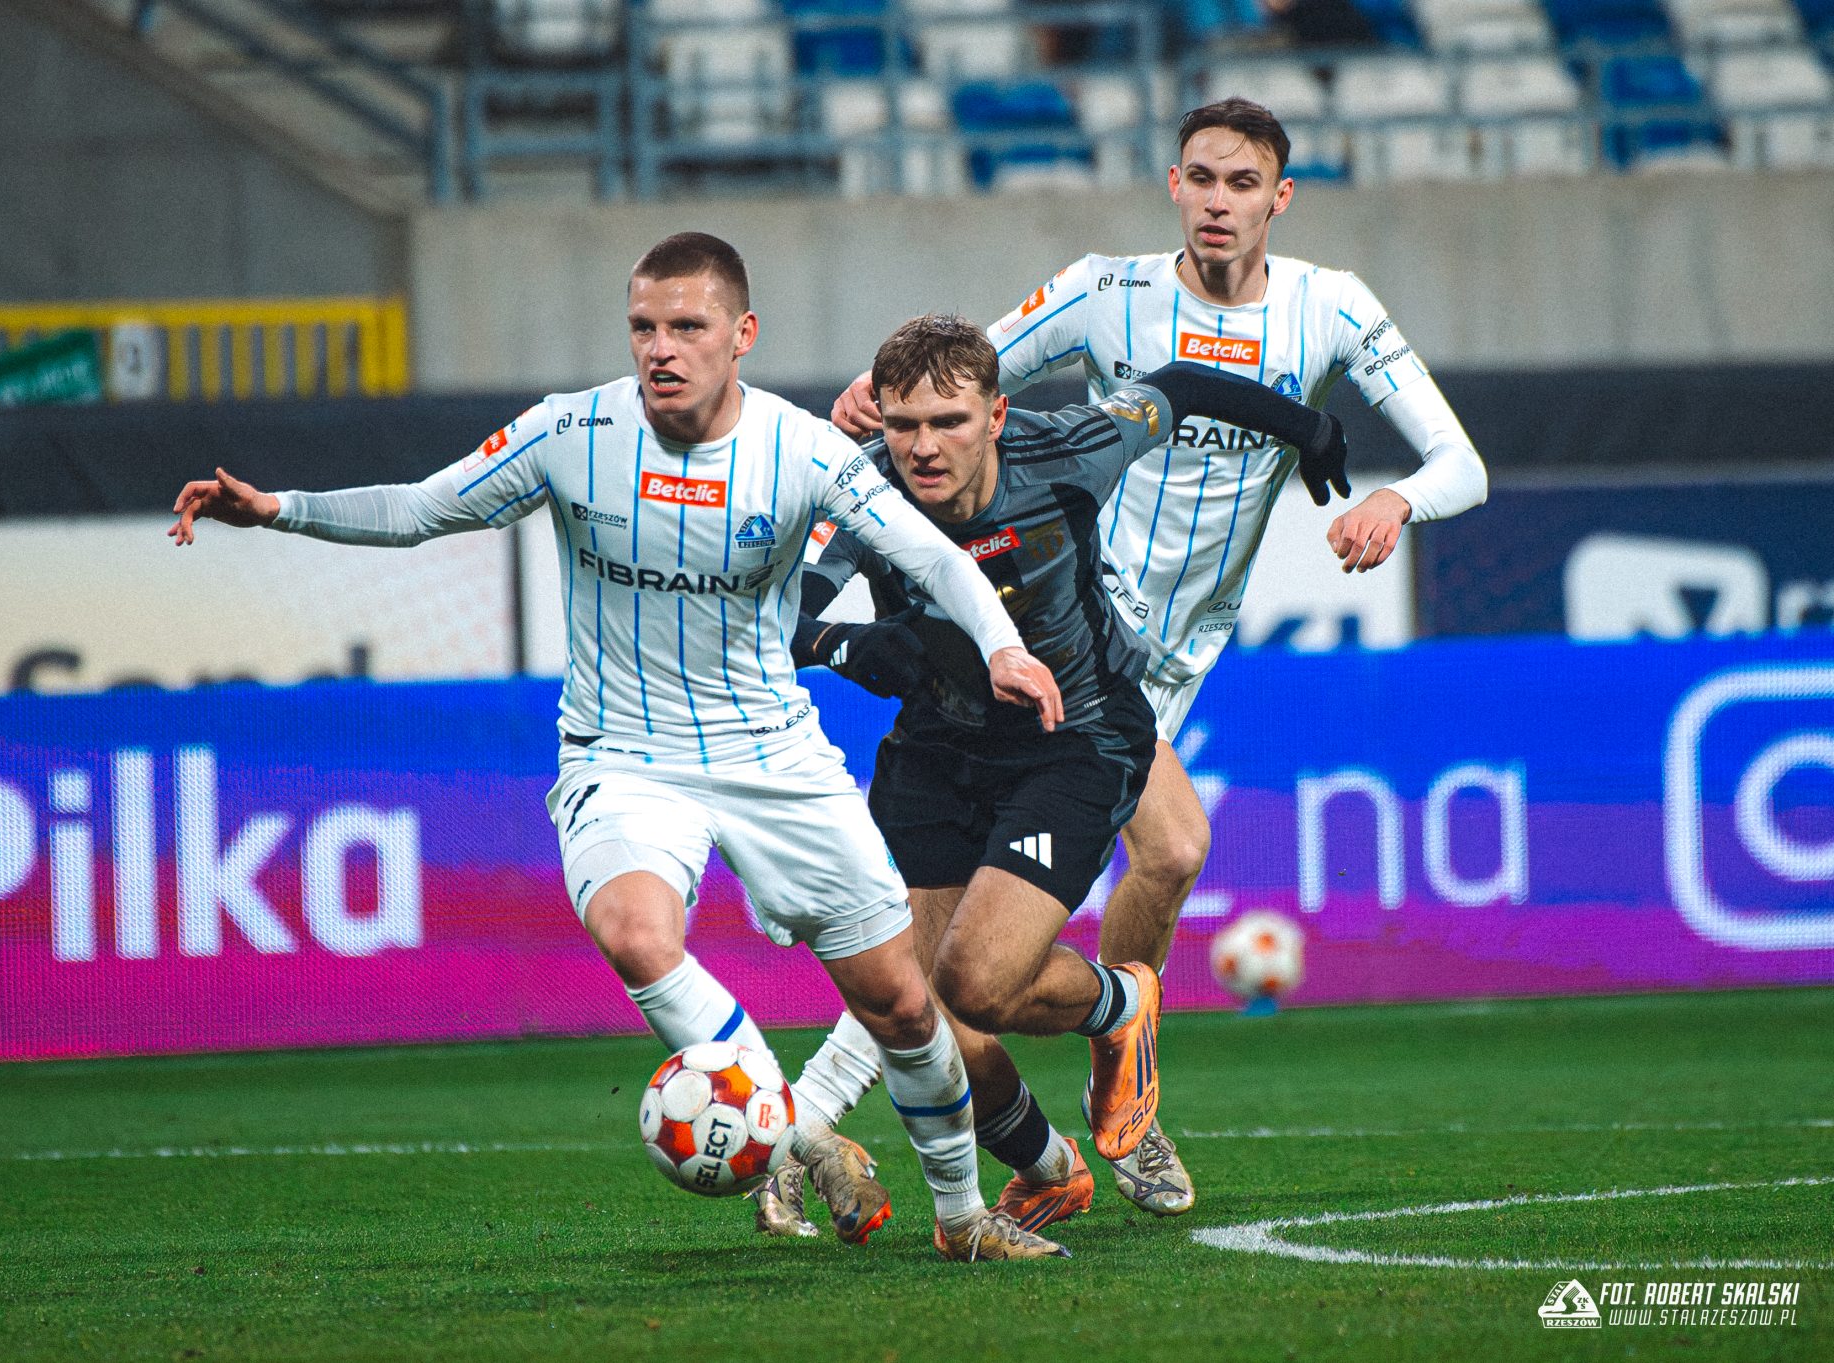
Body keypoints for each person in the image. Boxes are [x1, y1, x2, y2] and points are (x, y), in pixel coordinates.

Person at [167, 232, 1073, 1262]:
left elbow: (933, 556)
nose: (661, 347)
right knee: (637, 934)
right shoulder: (572, 432)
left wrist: (1001, 645)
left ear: (742, 334)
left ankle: (961, 1217)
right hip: (623, 752)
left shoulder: (800, 451)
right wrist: (279, 511)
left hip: (772, 752)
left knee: (902, 1004)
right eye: (644, 325)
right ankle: (790, 1129)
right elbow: (422, 508)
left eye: (687, 326)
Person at [826, 97, 1489, 1217]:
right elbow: (966, 379)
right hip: (1081, 640)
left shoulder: (1330, 308)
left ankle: (1093, 1071)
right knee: (1107, 879)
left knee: (1153, 864)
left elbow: (1459, 464)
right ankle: (837, 1117)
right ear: (1173, 185)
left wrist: (1395, 499)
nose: (1218, 202)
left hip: (1185, 649)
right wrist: (871, 400)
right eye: (1200, 179)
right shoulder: (1105, 291)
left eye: (1243, 183)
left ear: (1279, 198)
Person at [755, 314, 1351, 1240]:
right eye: (903, 424)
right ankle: (1047, 1168)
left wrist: (1307, 427)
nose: (922, 446)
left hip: (1071, 737)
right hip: (936, 750)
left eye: (948, 421)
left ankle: (1120, 1005)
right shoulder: (862, 488)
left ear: (996, 416)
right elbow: (770, 617)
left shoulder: (1071, 448)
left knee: (978, 983)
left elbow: (1181, 383)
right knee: (928, 1019)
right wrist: (847, 644)